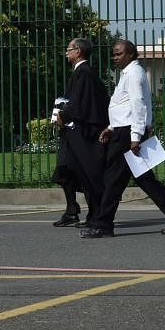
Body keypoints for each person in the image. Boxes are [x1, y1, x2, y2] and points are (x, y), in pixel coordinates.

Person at [80, 39, 165, 238]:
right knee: (145, 180)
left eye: (119, 54)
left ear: (130, 54)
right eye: (114, 54)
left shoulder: (133, 74)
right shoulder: (129, 73)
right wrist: (111, 127)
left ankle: (103, 224)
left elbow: (139, 105)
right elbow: (124, 106)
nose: (115, 57)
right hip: (123, 131)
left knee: (113, 178)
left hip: (128, 135)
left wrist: (135, 136)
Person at [50, 38, 108, 227]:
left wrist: (63, 115)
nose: (66, 52)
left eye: (69, 49)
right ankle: (72, 210)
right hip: (72, 133)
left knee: (87, 173)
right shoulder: (80, 73)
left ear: (78, 51)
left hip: (82, 133)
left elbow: (80, 103)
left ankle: (95, 215)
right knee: (64, 169)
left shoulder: (84, 73)